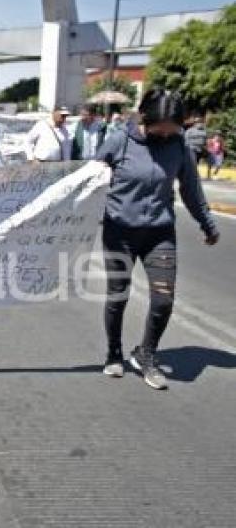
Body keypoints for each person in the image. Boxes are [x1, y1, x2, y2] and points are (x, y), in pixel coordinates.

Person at [97, 88, 218, 390]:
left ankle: (146, 354)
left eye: (174, 127)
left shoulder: (179, 146)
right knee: (118, 296)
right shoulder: (119, 141)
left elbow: (191, 190)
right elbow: (89, 181)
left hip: (159, 234)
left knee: (163, 300)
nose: (168, 132)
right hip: (119, 232)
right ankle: (114, 352)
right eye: (162, 126)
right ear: (146, 117)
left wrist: (207, 224)